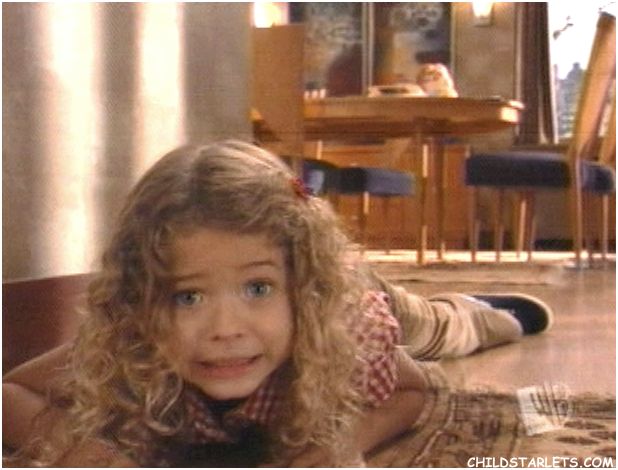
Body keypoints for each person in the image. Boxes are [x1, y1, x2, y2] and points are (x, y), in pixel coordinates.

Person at [2, 140, 552, 467]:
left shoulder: (341, 324)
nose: (225, 328)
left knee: (437, 329)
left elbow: (418, 388)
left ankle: (486, 312)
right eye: (189, 296)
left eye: (257, 289)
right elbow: (11, 392)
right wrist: (78, 449)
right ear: (141, 301)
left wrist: (350, 439)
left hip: (364, 294)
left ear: (301, 289)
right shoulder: (134, 338)